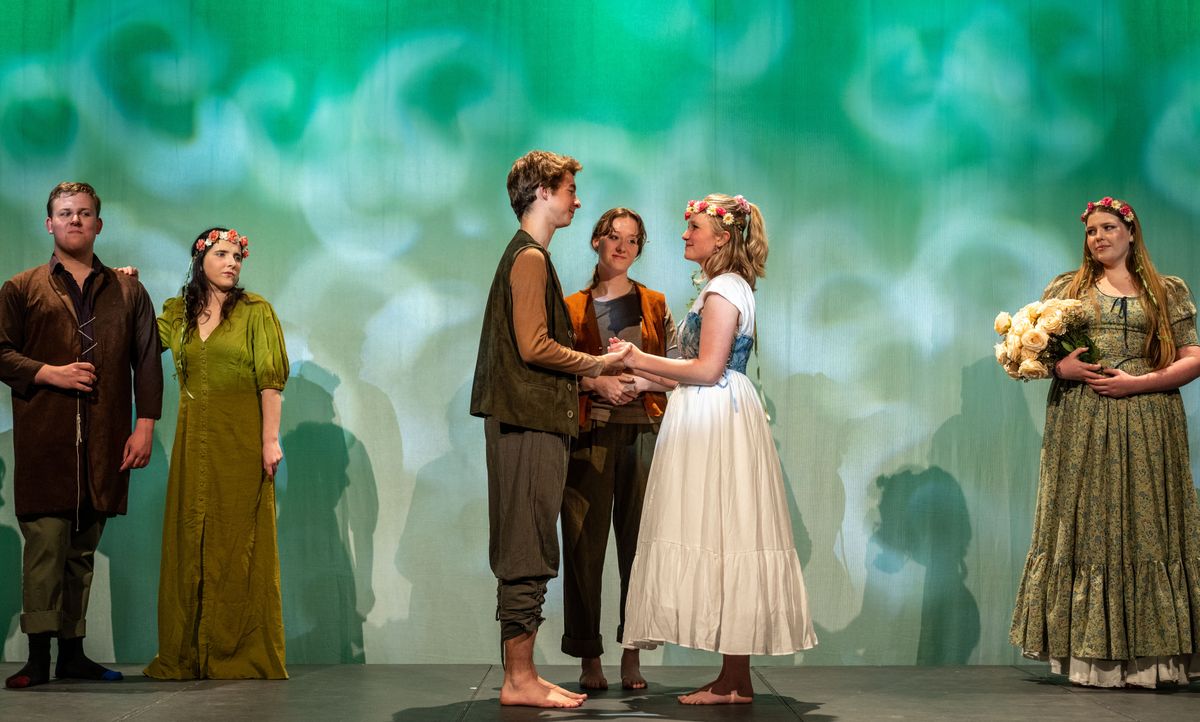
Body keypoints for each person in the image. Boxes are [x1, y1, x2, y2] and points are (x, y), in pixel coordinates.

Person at [609, 194, 817, 705]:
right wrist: (644, 379)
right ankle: (733, 678)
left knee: (726, 533)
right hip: (709, 410)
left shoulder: (724, 289)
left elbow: (707, 369)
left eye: (694, 228)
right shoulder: (722, 287)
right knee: (723, 533)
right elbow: (695, 371)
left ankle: (734, 680)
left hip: (716, 417)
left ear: (722, 238)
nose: (685, 235)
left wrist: (639, 357)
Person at [1010, 197, 1200, 688]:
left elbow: (1193, 357)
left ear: (1131, 232)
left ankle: (1152, 660)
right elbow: (1036, 355)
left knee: (1147, 523)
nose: (1099, 237)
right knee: (1088, 521)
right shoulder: (1067, 289)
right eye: (1092, 230)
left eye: (1109, 227)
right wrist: (1061, 367)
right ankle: (1090, 658)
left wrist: (1139, 383)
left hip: (1149, 419)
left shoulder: (1167, 291)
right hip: (1083, 420)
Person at [469, 150, 627, 708]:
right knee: (525, 547)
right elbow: (534, 345)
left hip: (531, 420)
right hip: (527, 423)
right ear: (541, 192)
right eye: (568, 190)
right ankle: (519, 679)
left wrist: (589, 379)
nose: (576, 201)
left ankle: (524, 675)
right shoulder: (530, 257)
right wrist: (597, 365)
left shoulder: (531, 256)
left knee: (531, 543)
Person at [0, 182, 162, 689]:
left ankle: (72, 654)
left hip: (105, 438)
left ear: (98, 224)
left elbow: (147, 359)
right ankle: (38, 657)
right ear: (49, 223)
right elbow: (0, 352)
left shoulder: (128, 290)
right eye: (66, 212)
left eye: (85, 213)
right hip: (45, 439)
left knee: (82, 551)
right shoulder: (22, 287)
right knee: (45, 547)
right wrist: (49, 372)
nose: (75, 219)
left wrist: (144, 425)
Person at [144, 227, 289, 680]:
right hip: (193, 445)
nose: (232, 263)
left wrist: (269, 439)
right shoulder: (178, 313)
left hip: (240, 441)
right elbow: (138, 338)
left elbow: (270, 382)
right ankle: (187, 654)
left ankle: (238, 651)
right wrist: (121, 284)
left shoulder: (255, 312)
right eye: (222, 254)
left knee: (239, 542)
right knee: (191, 540)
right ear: (200, 259)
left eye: (237, 256)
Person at [560, 208, 678, 690]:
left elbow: (676, 367)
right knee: (583, 545)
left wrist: (641, 381)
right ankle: (588, 656)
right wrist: (596, 384)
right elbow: (557, 371)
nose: (622, 246)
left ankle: (633, 652)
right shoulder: (571, 306)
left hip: (645, 433)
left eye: (632, 240)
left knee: (639, 547)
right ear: (596, 241)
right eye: (613, 236)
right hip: (588, 435)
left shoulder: (654, 303)